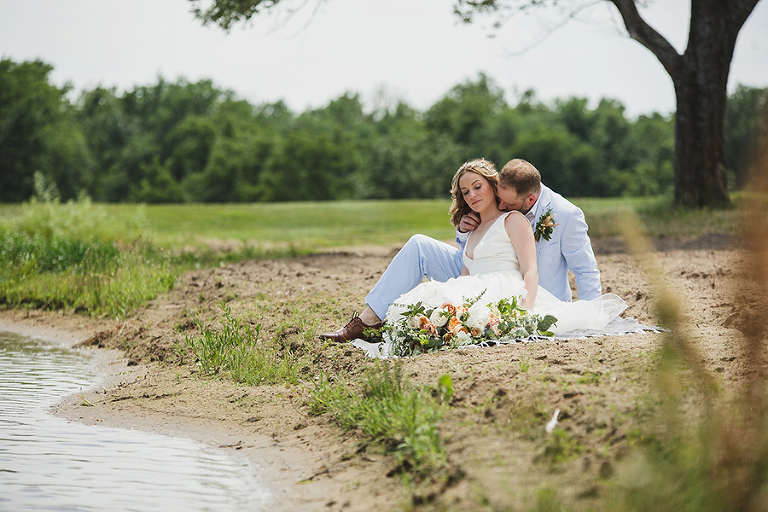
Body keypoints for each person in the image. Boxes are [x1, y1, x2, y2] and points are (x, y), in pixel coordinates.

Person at [319, 158, 602, 342]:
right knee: (419, 244)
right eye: (467, 192)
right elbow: (477, 252)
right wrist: (464, 230)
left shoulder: (565, 215)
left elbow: (584, 270)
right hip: (478, 276)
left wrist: (593, 316)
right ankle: (368, 321)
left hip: (525, 290)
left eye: (506, 203)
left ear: (528, 198)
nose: (501, 205)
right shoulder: (498, 200)